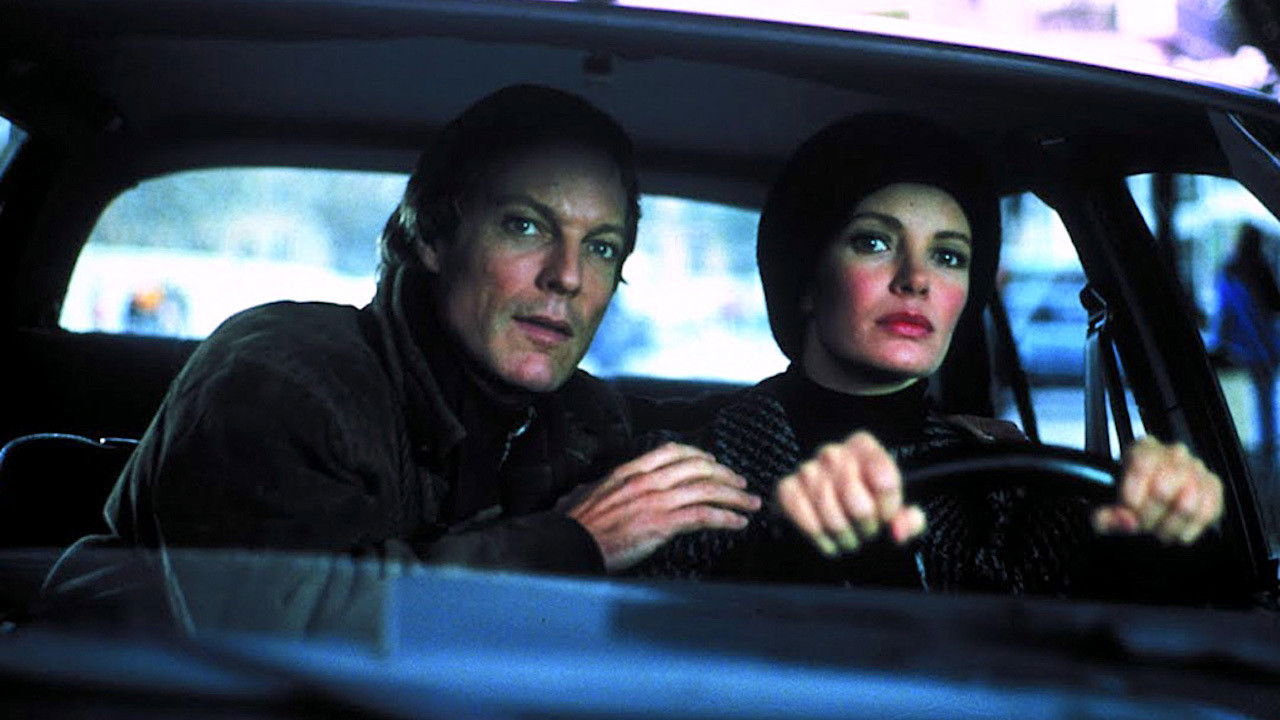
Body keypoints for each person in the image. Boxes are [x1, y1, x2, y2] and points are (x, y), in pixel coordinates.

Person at [73, 85, 760, 578]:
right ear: (432, 234)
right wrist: (572, 543)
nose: (568, 276)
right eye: (526, 225)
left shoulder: (580, 419)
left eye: (603, 247)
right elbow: (280, 628)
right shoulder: (282, 376)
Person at [633, 114, 1224, 592]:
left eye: (948, 256)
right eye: (874, 242)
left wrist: (1161, 527)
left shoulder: (1013, 484)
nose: (916, 279)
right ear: (806, 282)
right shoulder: (690, 469)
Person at [1215, 222, 1280, 482]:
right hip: (1265, 344)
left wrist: (1221, 340)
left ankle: (1259, 445)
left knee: (1257, 394)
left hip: (1243, 344)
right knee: (1264, 394)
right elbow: (1275, 304)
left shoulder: (1229, 272)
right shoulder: (1261, 269)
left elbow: (1224, 313)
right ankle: (1267, 444)